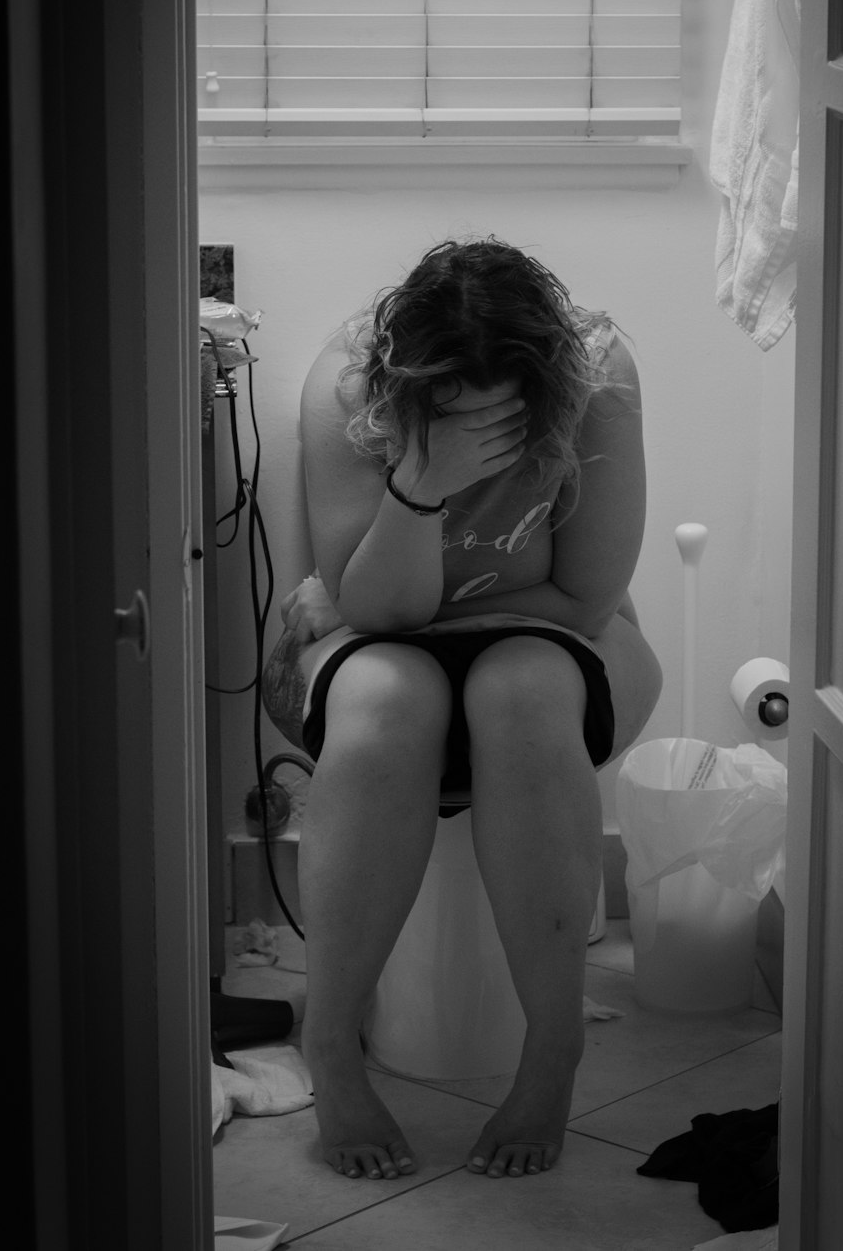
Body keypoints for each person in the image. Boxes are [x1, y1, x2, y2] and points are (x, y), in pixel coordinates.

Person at [262, 237, 662, 1184]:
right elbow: (385, 621)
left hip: (563, 647)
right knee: (389, 692)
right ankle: (330, 1044)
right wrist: (420, 486)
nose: (482, 439)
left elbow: (586, 601)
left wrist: (381, 603)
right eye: (454, 420)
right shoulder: (348, 384)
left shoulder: (601, 376)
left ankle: (553, 1047)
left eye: (504, 423)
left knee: (517, 685)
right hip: (378, 653)